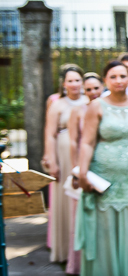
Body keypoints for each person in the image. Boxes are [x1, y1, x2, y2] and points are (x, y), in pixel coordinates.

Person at [75, 61, 128, 276]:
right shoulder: (96, 106)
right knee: (105, 228)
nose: (119, 80)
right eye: (113, 76)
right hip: (102, 175)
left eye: (123, 75)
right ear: (105, 80)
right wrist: (82, 173)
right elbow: (87, 142)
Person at [43, 64, 88, 264]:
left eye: (77, 80)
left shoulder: (90, 102)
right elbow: (49, 135)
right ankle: (64, 249)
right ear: (64, 84)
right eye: (70, 80)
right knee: (64, 197)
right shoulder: (57, 105)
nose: (74, 84)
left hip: (84, 151)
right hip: (63, 153)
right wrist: (52, 161)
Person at [64, 72, 105, 274]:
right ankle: (81, 264)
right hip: (85, 165)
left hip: (105, 164)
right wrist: (76, 170)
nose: (92, 92)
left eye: (96, 88)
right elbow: (74, 142)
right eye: (88, 89)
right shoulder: (77, 112)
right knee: (83, 212)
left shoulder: (109, 108)